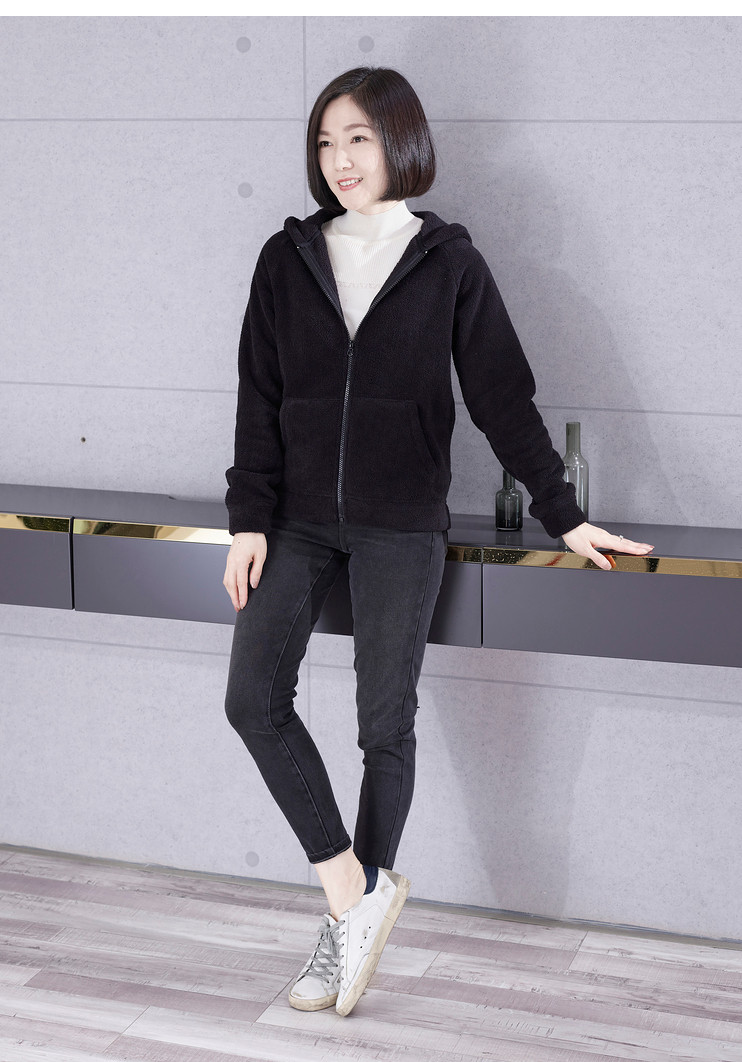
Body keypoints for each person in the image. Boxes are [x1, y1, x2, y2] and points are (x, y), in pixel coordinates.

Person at [221, 66, 653, 1018]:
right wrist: (248, 516)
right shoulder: (285, 259)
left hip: (399, 524)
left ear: (400, 142)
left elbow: (503, 397)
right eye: (327, 142)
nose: (341, 160)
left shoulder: (449, 262)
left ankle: (348, 931)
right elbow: (258, 395)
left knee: (385, 725)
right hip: (295, 519)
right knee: (252, 699)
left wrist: (563, 511)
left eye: (359, 139)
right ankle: (353, 893)